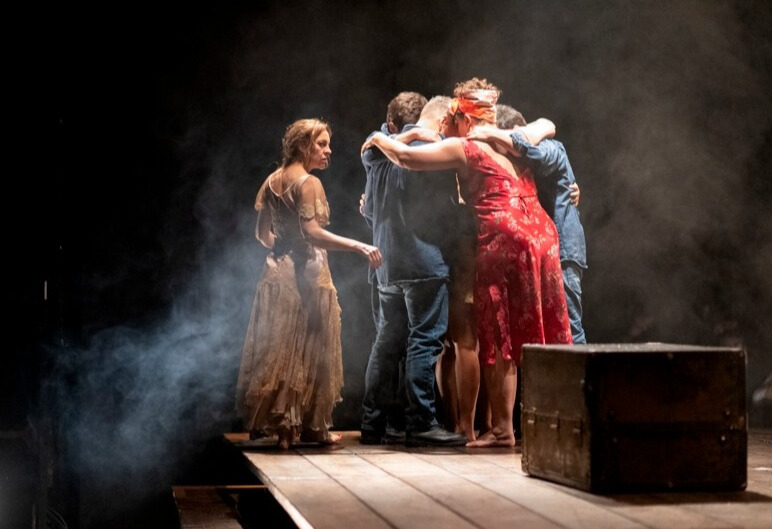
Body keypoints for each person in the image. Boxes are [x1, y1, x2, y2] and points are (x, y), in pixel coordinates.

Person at [362, 78, 572, 447]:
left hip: (503, 238)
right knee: (544, 333)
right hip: (542, 235)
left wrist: (380, 139)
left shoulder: (466, 146)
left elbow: (407, 159)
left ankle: (504, 427)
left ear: (460, 117)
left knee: (499, 336)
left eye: (450, 120)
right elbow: (547, 124)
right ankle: (560, 421)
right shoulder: (515, 140)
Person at [236, 118, 382, 450]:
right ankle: (304, 428)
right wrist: (359, 245)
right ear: (304, 146)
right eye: (322, 144)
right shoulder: (309, 183)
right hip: (307, 276)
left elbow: (262, 235)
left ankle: (292, 429)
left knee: (283, 349)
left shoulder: (271, 180)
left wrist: (283, 249)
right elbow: (313, 232)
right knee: (309, 349)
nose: (329, 151)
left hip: (276, 274)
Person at [360, 93, 467, 447]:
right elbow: (444, 211)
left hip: (386, 264)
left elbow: (369, 209)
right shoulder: (430, 148)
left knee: (387, 342)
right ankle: (420, 420)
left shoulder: (377, 152)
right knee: (424, 339)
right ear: (437, 121)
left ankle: (373, 422)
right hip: (421, 259)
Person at [472, 103, 588, 344]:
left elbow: (537, 154)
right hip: (539, 255)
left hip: (563, 253)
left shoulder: (549, 147)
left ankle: (580, 382)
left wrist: (498, 135)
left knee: (569, 331)